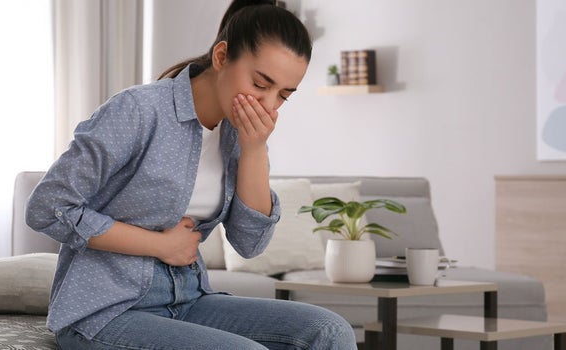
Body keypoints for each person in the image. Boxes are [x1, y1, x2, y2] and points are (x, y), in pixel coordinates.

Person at [26, 1, 357, 349]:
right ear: (221, 56)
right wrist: (159, 245)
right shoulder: (138, 111)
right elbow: (47, 207)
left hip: (187, 299)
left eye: (284, 96)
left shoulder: (240, 134)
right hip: (105, 310)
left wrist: (255, 149)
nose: (268, 105)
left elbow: (250, 244)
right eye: (261, 83)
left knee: (329, 331)